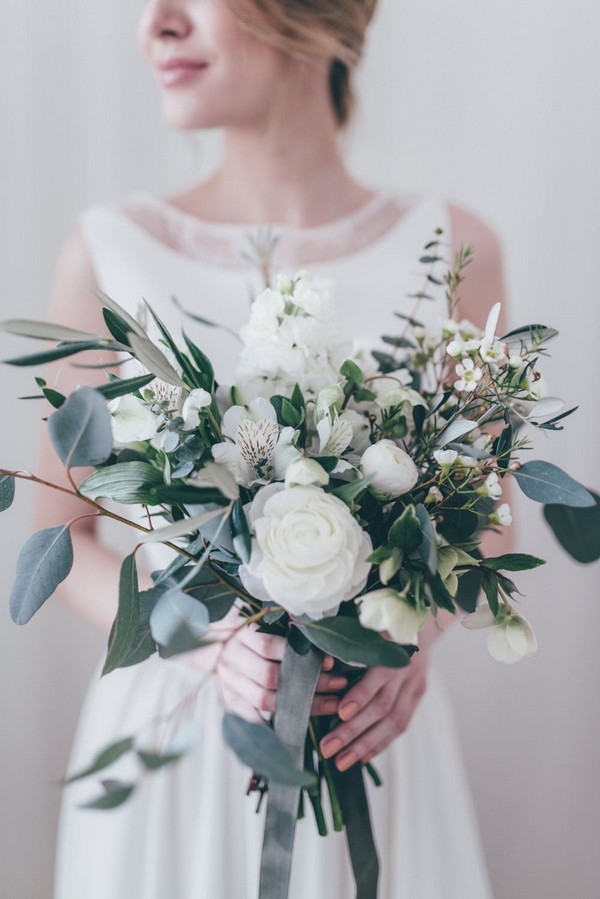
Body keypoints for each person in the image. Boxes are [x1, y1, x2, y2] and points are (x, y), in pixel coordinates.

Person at [37, 1, 507, 896]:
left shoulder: (456, 252)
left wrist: (418, 632)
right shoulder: (106, 253)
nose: (155, 25)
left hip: (369, 729)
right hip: (174, 729)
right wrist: (199, 638)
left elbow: (486, 515)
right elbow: (60, 542)